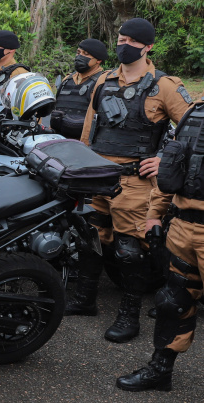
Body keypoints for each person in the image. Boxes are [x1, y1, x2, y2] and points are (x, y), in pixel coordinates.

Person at [68, 18, 192, 344]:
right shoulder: (104, 80)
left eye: (132, 41)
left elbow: (192, 129)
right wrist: (81, 163)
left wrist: (164, 159)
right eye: (121, 39)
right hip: (98, 176)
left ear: (148, 47)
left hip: (135, 182)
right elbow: (90, 129)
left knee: (129, 250)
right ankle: (84, 300)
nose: (124, 45)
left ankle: (129, 315)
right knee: (90, 238)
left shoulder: (165, 86)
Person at [116, 107, 204, 392]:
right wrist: (154, 214)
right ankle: (160, 370)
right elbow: (172, 166)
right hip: (183, 226)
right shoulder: (194, 113)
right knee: (172, 301)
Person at [49, 39, 107, 139]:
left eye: (86, 54)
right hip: (59, 141)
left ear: (98, 60)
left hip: (85, 144)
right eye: (78, 52)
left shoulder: (103, 82)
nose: (80, 56)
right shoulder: (67, 80)